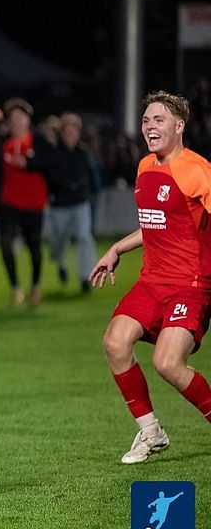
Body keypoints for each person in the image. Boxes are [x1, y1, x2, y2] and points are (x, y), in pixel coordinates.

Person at [89, 91, 211, 464]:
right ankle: (151, 431)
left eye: (158, 120)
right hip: (152, 281)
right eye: (145, 120)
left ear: (179, 126)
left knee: (167, 364)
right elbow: (155, 225)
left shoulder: (197, 171)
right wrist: (116, 249)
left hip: (190, 285)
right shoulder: (145, 167)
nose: (149, 127)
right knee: (114, 342)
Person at [0, 98, 52, 306]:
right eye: (13, 118)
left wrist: (29, 163)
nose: (17, 121)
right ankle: (15, 287)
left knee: (34, 246)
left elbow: (51, 164)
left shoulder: (38, 142)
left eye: (21, 117)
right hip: (9, 202)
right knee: (6, 244)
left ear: (28, 120)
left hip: (34, 203)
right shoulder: (2, 143)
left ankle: (35, 286)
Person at [46, 112, 97, 294]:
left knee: (85, 237)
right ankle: (61, 264)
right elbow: (50, 178)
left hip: (80, 202)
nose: (71, 136)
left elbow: (91, 176)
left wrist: (91, 193)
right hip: (60, 204)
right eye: (67, 133)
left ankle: (86, 277)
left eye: (73, 132)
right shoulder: (54, 155)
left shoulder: (83, 154)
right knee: (59, 240)